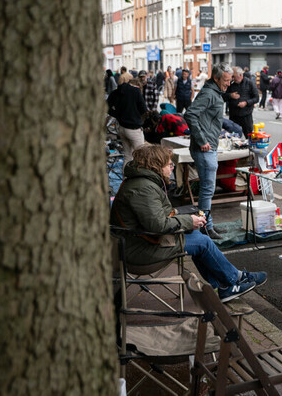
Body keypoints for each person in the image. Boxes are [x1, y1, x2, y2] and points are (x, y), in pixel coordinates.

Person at [111, 145, 266, 302]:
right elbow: (157, 225)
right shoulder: (143, 188)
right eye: (169, 164)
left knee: (197, 235)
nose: (172, 168)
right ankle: (232, 281)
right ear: (156, 166)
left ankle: (227, 284)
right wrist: (188, 220)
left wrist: (185, 218)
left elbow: (155, 216)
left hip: (137, 242)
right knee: (203, 242)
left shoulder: (141, 183)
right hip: (138, 251)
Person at [184, 62, 233, 240]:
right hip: (204, 148)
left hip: (209, 146)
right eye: (226, 80)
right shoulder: (209, 93)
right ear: (216, 78)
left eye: (230, 80)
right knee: (207, 190)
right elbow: (190, 114)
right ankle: (205, 227)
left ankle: (208, 224)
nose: (228, 84)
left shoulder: (214, 92)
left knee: (208, 189)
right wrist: (202, 140)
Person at [107, 77, 147, 162]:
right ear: (137, 86)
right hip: (134, 129)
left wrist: (117, 115)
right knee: (142, 156)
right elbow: (144, 109)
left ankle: (127, 171)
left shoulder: (116, 92)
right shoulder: (135, 91)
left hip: (122, 127)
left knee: (127, 156)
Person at [224, 66, 259, 137]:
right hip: (234, 115)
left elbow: (256, 98)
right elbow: (223, 97)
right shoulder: (230, 84)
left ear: (240, 75)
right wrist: (230, 95)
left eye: (234, 77)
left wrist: (246, 102)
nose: (232, 79)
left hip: (246, 115)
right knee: (233, 137)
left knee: (249, 136)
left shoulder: (249, 83)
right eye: (232, 77)